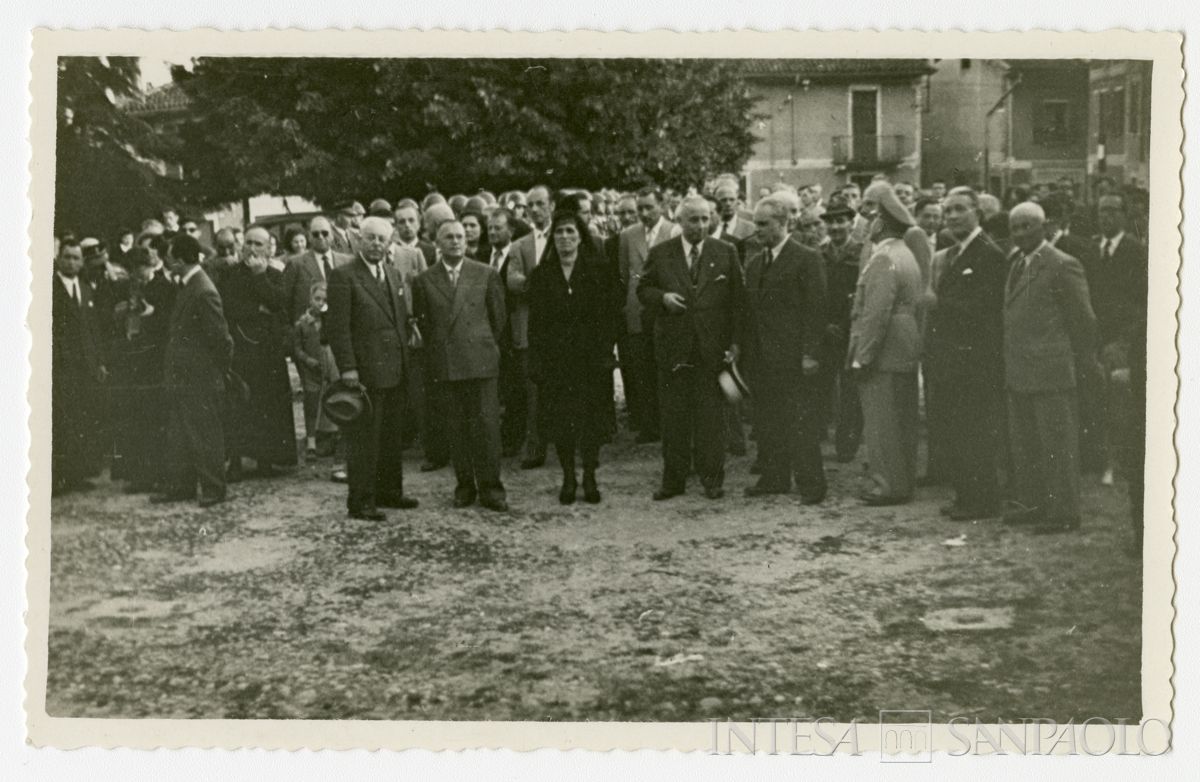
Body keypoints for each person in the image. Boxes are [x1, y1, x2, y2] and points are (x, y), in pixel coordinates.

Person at [637, 196, 744, 501]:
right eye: (693, 220)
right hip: (674, 349)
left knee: (711, 419)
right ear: (679, 221)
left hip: (712, 349)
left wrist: (735, 343)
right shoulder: (661, 253)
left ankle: (712, 479)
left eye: (705, 219)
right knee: (674, 419)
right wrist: (662, 299)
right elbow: (642, 289)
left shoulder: (725, 252)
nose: (699, 226)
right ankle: (673, 480)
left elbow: (738, 302)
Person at [1003, 202, 1098, 534]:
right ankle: (1035, 505)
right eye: (1015, 227)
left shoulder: (1062, 265)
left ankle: (1063, 513)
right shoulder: (1016, 263)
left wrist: (1079, 360)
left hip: (1050, 370)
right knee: (1027, 445)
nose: (1020, 233)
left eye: (1027, 226)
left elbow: (1083, 320)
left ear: (1044, 226)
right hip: (1019, 370)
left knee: (1057, 445)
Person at [322, 217, 418, 519]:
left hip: (395, 368)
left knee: (391, 436)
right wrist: (348, 368)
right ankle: (361, 500)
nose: (377, 244)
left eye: (382, 239)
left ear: (389, 243)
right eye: (371, 238)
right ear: (359, 240)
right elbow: (338, 329)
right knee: (365, 439)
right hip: (364, 371)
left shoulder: (391, 272)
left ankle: (390, 491)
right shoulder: (343, 275)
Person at [413, 219, 509, 512]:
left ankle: (492, 488)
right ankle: (465, 485)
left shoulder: (485, 274)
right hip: (447, 365)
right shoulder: (424, 280)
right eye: (448, 237)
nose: (456, 241)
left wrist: (483, 348)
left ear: (466, 242)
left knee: (487, 428)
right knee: (457, 429)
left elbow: (498, 320)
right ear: (437, 243)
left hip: (480, 362)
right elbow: (424, 326)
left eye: (460, 236)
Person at [924, 187, 1007, 519]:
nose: (953, 216)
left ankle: (981, 500)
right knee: (958, 430)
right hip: (954, 359)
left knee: (975, 432)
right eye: (948, 211)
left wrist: (940, 304)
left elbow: (987, 307)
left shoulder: (988, 253)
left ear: (978, 213)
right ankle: (966, 496)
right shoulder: (956, 252)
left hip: (976, 361)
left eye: (960, 209)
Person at [528, 209, 619, 504]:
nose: (565, 237)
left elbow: (610, 314)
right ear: (552, 238)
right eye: (559, 232)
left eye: (570, 231)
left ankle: (590, 475)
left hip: (591, 360)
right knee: (562, 420)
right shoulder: (542, 275)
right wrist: (537, 359)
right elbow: (537, 322)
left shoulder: (599, 269)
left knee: (591, 421)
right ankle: (568, 477)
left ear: (581, 236)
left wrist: (606, 350)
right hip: (557, 362)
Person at [742, 196, 828, 502]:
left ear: (783, 223)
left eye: (764, 224)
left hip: (793, 358)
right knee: (768, 422)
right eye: (756, 224)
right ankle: (775, 478)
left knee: (799, 421)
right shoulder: (754, 263)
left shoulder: (806, 257)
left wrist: (810, 353)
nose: (758, 230)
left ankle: (812, 484)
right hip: (762, 359)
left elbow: (816, 310)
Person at [847, 185, 924, 506]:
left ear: (880, 223)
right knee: (902, 419)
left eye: (868, 216)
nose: (863, 222)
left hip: (885, 348)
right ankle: (901, 481)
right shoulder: (904, 253)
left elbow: (876, 314)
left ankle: (886, 485)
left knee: (882, 422)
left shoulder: (883, 258)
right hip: (903, 344)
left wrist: (861, 357)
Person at [152, 234, 233, 508]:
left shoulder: (203, 290)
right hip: (184, 376)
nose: (168, 261)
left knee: (204, 433)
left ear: (183, 259)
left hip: (199, 377)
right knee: (181, 432)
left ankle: (214, 488)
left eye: (172, 256)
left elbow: (221, 339)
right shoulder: (190, 285)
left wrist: (216, 371)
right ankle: (181, 485)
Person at [217, 225, 296, 479]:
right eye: (248, 242)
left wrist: (260, 277)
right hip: (240, 349)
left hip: (268, 350)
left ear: (268, 248)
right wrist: (257, 310)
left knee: (268, 404)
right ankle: (237, 461)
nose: (252, 248)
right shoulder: (230, 274)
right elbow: (229, 307)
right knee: (239, 403)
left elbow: (279, 303)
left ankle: (266, 459)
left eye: (258, 244)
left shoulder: (274, 273)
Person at [1084, 192, 1150, 485]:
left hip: (1123, 338)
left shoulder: (1134, 250)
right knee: (1099, 401)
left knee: (1121, 403)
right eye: (1101, 211)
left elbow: (1141, 298)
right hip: (1096, 336)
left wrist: (1126, 338)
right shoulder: (1092, 249)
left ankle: (1120, 462)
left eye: (1112, 211)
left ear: (1124, 216)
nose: (1106, 217)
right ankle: (1100, 459)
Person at [108, 245, 175, 492]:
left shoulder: (164, 287)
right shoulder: (130, 287)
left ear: (151, 265)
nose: (139, 275)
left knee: (155, 419)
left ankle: (158, 475)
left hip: (154, 361)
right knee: (138, 419)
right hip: (134, 361)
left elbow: (170, 322)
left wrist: (151, 314)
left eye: (142, 269)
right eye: (135, 271)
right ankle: (141, 475)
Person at [618, 186, 679, 444]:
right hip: (637, 309)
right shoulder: (628, 236)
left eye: (649, 207)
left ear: (661, 206)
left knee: (665, 368)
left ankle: (670, 424)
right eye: (640, 208)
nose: (643, 213)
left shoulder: (674, 232)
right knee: (641, 367)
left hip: (665, 309)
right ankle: (649, 424)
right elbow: (624, 273)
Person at [52, 237, 108, 495]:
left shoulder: (86, 289)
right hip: (61, 367)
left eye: (76, 258)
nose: (71, 262)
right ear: (58, 258)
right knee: (61, 421)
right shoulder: (49, 289)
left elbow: (95, 330)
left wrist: (99, 363)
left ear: (82, 262)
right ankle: (59, 477)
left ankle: (77, 473)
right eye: (67, 257)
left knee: (82, 418)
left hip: (86, 367)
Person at [504, 186, 553, 469]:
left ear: (551, 205)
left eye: (540, 204)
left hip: (562, 327)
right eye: (530, 205)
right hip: (530, 326)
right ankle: (536, 446)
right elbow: (513, 281)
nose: (535, 210)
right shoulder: (519, 246)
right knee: (533, 389)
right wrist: (545, 286)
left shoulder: (566, 238)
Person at [819, 203, 864, 462]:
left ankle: (847, 444)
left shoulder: (861, 253)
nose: (835, 227)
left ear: (851, 223)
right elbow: (812, 293)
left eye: (841, 221)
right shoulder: (818, 253)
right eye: (831, 222)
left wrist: (848, 325)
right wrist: (824, 324)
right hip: (824, 330)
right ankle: (817, 435)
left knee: (850, 390)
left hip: (850, 330)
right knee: (821, 386)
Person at [292, 282, 340, 461]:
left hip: (329, 368)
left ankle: (332, 437)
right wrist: (307, 360)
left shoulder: (331, 321)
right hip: (311, 371)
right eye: (317, 299)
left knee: (332, 401)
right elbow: (297, 349)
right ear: (310, 299)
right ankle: (311, 442)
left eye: (325, 300)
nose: (320, 303)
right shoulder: (302, 324)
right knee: (311, 403)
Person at [281, 216, 352, 324]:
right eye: (315, 234)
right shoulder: (296, 264)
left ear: (332, 235)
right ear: (309, 237)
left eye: (325, 233)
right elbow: (284, 301)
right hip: (309, 331)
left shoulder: (347, 262)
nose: (320, 237)